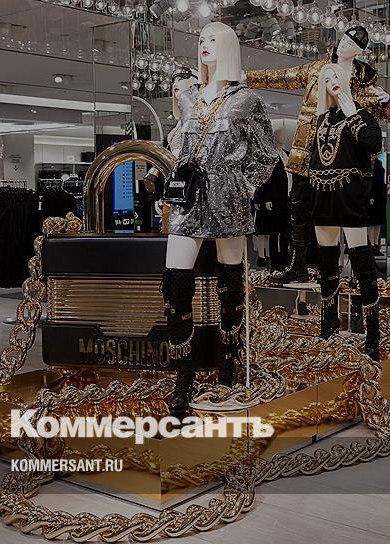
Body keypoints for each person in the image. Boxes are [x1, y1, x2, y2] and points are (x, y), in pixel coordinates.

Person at [162, 22, 277, 416]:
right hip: (189, 199)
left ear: (228, 47)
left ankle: (229, 363)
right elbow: (180, 145)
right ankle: (183, 378)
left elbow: (266, 155)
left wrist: (243, 185)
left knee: (231, 285)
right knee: (175, 285)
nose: (204, 45)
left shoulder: (247, 100)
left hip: (228, 199)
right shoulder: (188, 97)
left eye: (213, 40)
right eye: (201, 40)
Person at [246, 26, 390, 284]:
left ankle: (360, 274)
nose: (344, 44)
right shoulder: (317, 70)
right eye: (344, 39)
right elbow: (283, 76)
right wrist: (246, 78)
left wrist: (388, 99)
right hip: (308, 155)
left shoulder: (366, 85)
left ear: (360, 51)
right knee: (300, 211)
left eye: (352, 43)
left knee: (348, 219)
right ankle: (299, 265)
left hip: (347, 164)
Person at [308, 64, 383, 361]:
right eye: (326, 79)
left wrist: (352, 113)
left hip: (350, 195)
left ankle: (372, 333)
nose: (332, 82)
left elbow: (373, 143)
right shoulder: (320, 119)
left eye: (335, 77)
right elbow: (312, 157)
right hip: (322, 195)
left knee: (362, 263)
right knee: (326, 264)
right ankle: (328, 324)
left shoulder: (361, 115)